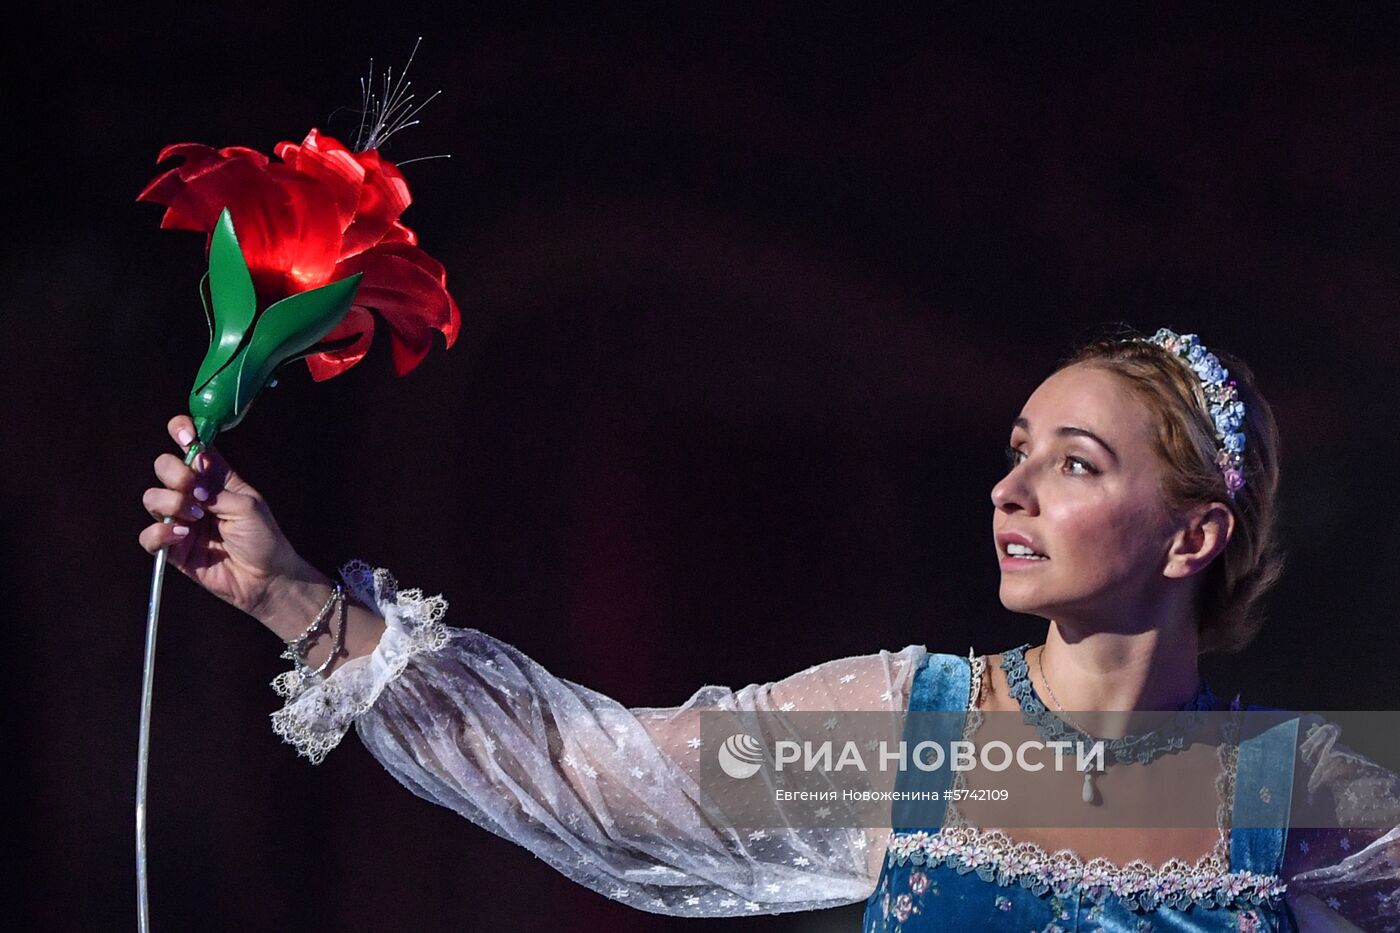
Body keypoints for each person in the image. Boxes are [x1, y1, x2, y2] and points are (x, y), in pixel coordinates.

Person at [138, 324, 1400, 930]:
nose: (1010, 490)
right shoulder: (910, 734)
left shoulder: (1293, 792)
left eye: (1073, 464)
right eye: (1014, 454)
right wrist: (296, 598)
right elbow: (585, 770)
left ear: (1190, 537)